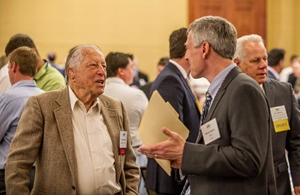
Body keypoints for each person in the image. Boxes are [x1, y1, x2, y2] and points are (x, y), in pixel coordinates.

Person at [138, 16, 277, 195]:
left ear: (204, 48)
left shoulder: (243, 89)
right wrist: (183, 158)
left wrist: (187, 153)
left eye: (188, 48)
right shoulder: (222, 88)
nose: (186, 56)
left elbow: (248, 159)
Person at [5, 44, 140, 195]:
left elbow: (129, 164)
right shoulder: (42, 106)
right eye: (93, 66)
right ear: (72, 73)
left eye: (104, 66)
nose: (102, 72)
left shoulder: (116, 108)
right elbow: (18, 164)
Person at [233, 34, 300, 195]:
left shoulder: (283, 91)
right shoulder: (228, 95)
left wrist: (298, 178)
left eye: (265, 59)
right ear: (237, 64)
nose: (264, 65)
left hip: (279, 184)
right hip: (244, 185)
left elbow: (296, 141)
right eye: (255, 61)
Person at [144, 27, 200, 195]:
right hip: (170, 177)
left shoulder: (176, 76)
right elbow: (171, 132)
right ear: (187, 51)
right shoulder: (170, 79)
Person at [0, 47, 44, 194]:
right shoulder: (45, 97)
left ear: (14, 67)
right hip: (38, 173)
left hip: (7, 174)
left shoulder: (7, 99)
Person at [104, 51, 148, 195]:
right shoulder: (136, 94)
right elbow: (147, 124)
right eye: (131, 68)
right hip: (132, 152)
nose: (134, 72)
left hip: (103, 152)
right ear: (121, 71)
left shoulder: (98, 92)